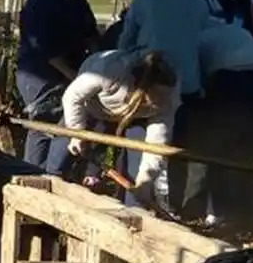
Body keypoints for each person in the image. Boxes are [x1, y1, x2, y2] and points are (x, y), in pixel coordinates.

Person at [118, 0, 210, 213]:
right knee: (179, 149)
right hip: (187, 85)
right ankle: (180, 207)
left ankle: (133, 200)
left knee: (138, 141)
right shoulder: (199, 4)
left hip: (147, 81)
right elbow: (202, 43)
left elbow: (126, 40)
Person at [60, 50, 180, 207]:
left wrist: (145, 182)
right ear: (142, 88)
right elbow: (72, 97)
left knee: (137, 173)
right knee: (62, 156)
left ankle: (134, 212)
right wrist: (77, 133)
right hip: (89, 108)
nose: (161, 103)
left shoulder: (167, 100)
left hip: (135, 118)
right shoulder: (108, 71)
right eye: (157, 98)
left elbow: (157, 143)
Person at [14, 0, 97, 173]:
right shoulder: (40, 4)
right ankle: (42, 174)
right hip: (39, 73)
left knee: (66, 120)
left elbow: (90, 33)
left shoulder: (76, 2)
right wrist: (72, 75)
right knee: (48, 123)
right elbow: (44, 47)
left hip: (73, 70)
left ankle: (47, 173)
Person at [188, 18, 253, 226]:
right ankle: (249, 215)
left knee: (222, 148)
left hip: (229, 81)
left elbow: (198, 78)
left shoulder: (200, 37)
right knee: (252, 148)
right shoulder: (236, 30)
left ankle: (224, 213)